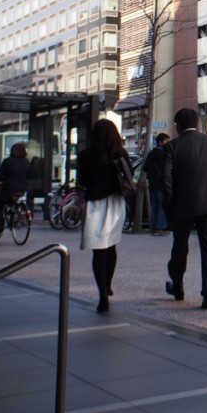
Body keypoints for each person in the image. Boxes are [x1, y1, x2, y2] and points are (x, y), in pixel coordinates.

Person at [163, 108, 207, 310]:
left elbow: (167, 180)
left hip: (183, 204)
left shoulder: (171, 147)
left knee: (180, 246)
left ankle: (178, 286)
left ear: (178, 126)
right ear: (198, 123)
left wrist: (170, 202)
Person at [77, 118, 130, 313]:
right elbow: (129, 176)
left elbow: (82, 181)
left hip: (94, 205)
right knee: (111, 245)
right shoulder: (120, 153)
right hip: (115, 203)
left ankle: (102, 295)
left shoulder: (84, 156)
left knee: (98, 251)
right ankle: (108, 285)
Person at [0, 142, 30, 231]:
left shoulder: (8, 161)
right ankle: (14, 215)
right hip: (22, 189)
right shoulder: (26, 162)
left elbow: (0, 175)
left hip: (9, 189)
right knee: (12, 203)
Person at [145, 133, 171, 235]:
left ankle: (153, 227)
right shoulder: (163, 154)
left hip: (152, 184)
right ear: (161, 142)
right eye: (166, 141)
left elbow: (145, 168)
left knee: (155, 206)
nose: (167, 143)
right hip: (161, 184)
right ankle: (160, 228)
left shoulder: (151, 153)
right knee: (162, 206)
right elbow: (167, 170)